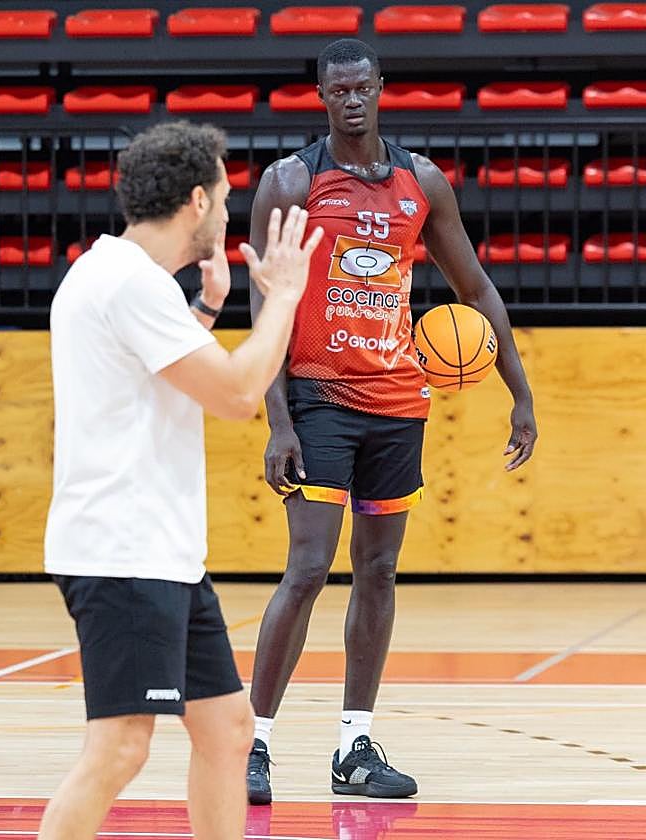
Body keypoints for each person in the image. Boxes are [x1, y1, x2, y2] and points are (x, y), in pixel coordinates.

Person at [245, 39, 537, 804]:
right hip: (318, 400)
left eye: (363, 88)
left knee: (377, 571)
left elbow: (474, 289)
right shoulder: (289, 182)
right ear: (320, 96)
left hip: (399, 406)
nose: (351, 100)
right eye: (337, 90)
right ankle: (252, 742)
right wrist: (276, 419)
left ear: (381, 89)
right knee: (308, 568)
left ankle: (353, 748)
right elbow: (265, 306)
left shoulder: (422, 184)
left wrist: (521, 392)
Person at [40, 121, 323, 840]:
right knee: (121, 748)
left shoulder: (121, 278)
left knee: (227, 730)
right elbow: (235, 396)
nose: (230, 211)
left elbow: (162, 382)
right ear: (197, 201)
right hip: (122, 552)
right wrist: (284, 298)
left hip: (157, 553)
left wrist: (204, 312)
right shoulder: (130, 286)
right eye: (226, 196)